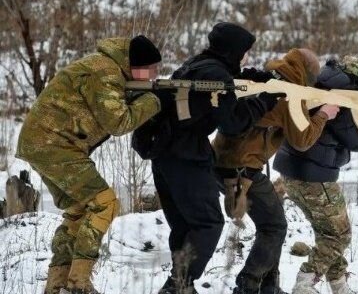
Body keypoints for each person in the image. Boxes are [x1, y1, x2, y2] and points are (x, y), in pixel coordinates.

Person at [132, 22, 285, 294]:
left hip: (165, 154)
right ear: (234, 50)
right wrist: (265, 100)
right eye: (245, 52)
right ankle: (177, 285)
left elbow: (209, 98)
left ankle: (181, 284)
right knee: (207, 223)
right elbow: (233, 123)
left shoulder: (198, 65)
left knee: (185, 225)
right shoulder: (215, 74)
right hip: (186, 156)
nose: (247, 56)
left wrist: (248, 79)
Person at [16, 35, 168, 294]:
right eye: (151, 70)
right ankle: (79, 284)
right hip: (53, 144)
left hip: (45, 143)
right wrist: (154, 101)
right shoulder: (105, 73)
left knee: (78, 210)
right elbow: (118, 122)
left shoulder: (108, 68)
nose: (154, 75)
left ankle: (57, 284)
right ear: (136, 64)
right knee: (105, 203)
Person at [212, 48, 340, 294]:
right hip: (241, 170)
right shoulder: (288, 95)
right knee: (275, 227)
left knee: (271, 224)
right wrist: (324, 113)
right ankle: (248, 285)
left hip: (224, 163)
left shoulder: (266, 81)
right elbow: (302, 139)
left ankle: (269, 286)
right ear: (307, 74)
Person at [273, 56, 358, 294]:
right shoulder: (343, 95)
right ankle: (305, 282)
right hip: (315, 176)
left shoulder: (318, 83)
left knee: (327, 232)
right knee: (340, 235)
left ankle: (339, 285)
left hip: (292, 171)